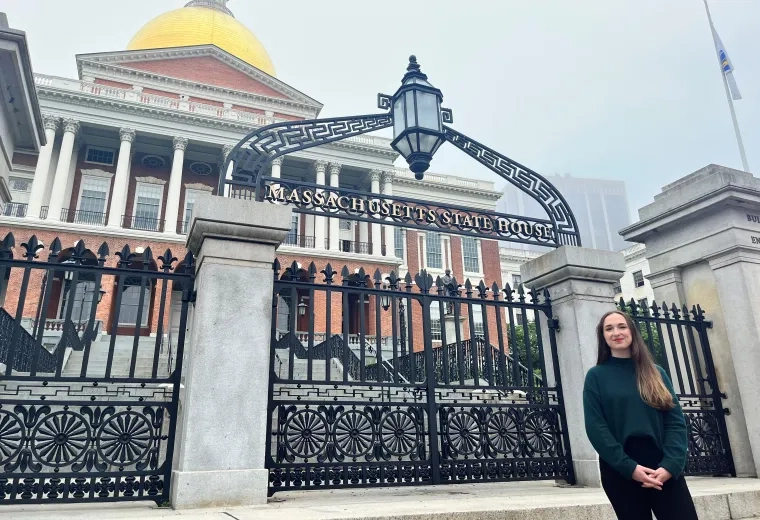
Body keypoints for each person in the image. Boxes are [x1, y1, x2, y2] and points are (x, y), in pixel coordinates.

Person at [583, 311, 698, 519]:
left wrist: (671, 465)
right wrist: (630, 468)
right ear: (603, 337)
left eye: (621, 326)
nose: (616, 332)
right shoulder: (596, 376)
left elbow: (675, 422)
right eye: (609, 329)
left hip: (662, 463)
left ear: (632, 332)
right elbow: (596, 427)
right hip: (621, 467)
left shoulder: (656, 373)